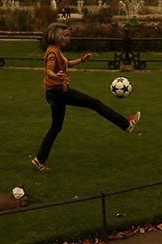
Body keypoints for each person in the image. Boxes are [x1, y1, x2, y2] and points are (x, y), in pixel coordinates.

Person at [32, 23, 141, 171]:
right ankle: (127, 124)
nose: (68, 38)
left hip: (54, 94)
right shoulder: (52, 53)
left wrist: (82, 59)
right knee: (94, 103)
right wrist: (55, 75)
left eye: (68, 35)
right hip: (59, 93)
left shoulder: (55, 50)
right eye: (65, 35)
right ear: (57, 36)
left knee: (56, 127)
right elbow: (48, 70)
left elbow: (66, 64)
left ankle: (39, 160)